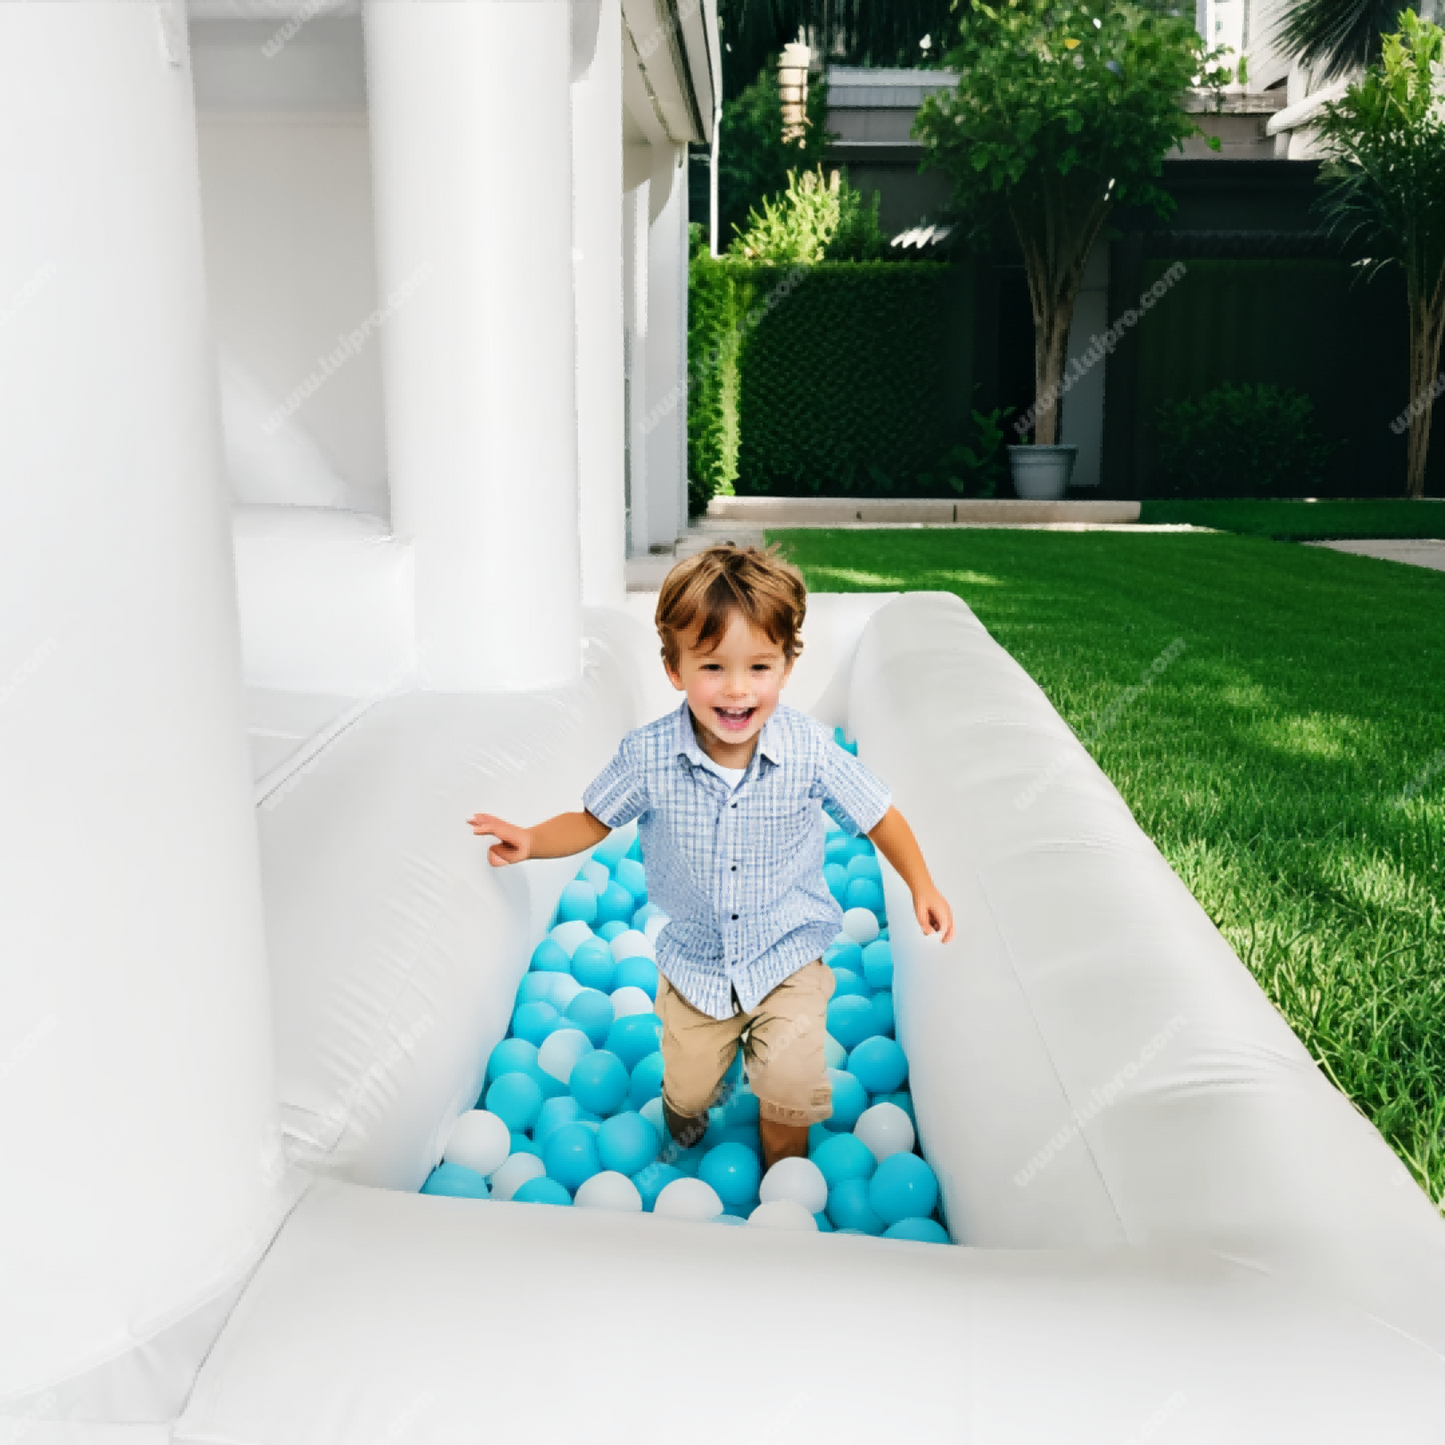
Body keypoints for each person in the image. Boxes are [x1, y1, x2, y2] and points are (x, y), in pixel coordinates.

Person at [468, 544, 953, 1174]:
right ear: (674, 668)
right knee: (692, 1096)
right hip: (696, 963)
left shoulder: (808, 749)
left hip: (787, 953)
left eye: (759, 667)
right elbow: (591, 820)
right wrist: (533, 840)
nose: (737, 689)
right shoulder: (648, 757)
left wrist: (921, 884)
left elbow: (879, 813)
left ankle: (783, 1182)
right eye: (713, 667)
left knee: (788, 1085)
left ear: (787, 666)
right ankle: (683, 1125)